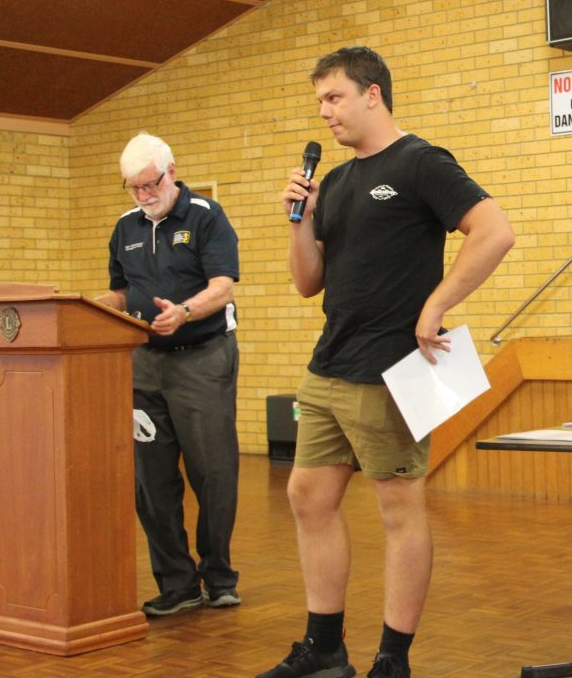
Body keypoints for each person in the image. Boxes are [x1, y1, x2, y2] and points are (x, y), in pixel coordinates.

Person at [259, 46, 515, 678]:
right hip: (329, 367)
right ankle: (324, 651)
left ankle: (392, 660)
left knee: (399, 509)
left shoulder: (420, 162)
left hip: (391, 369)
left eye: (334, 97)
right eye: (319, 100)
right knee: (307, 496)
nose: (324, 112)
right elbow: (307, 283)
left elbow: (495, 231)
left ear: (373, 94)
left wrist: (437, 305)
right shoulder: (339, 181)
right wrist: (300, 221)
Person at [94, 132, 242, 616]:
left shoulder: (205, 215)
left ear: (171, 171)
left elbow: (222, 287)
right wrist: (86, 309)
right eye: (132, 188)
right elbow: (120, 292)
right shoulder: (125, 227)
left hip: (203, 358)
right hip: (144, 366)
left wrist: (184, 311)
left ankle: (218, 576)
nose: (143, 195)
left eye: (149, 184)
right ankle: (177, 584)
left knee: (212, 472)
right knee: (151, 480)